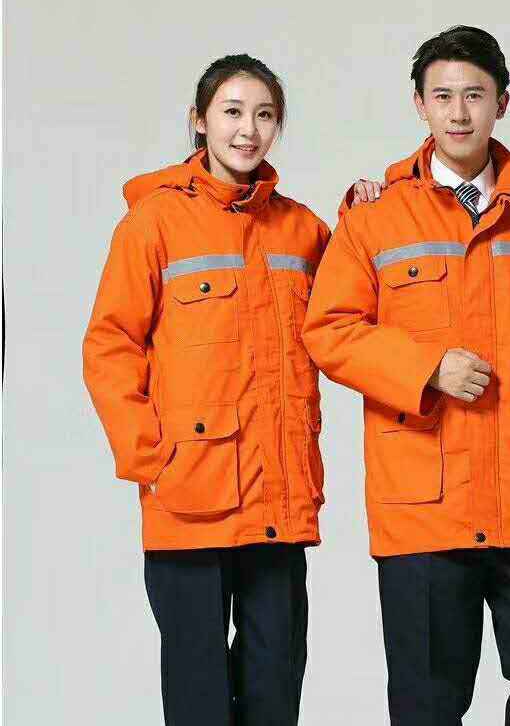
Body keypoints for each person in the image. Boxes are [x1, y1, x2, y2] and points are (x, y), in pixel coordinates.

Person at [302, 26, 510, 726]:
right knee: (427, 703)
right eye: (443, 96)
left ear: (502, 104)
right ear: (419, 105)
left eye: (475, 96)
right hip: (425, 503)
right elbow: (329, 330)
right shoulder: (374, 223)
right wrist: (426, 368)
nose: (459, 113)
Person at [82, 54, 380, 726]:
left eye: (265, 115)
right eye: (233, 112)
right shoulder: (153, 224)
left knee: (276, 687)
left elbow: (351, 302)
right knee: (200, 697)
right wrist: (150, 458)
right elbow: (109, 345)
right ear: (200, 120)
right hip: (189, 496)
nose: (249, 130)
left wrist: (364, 215)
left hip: (278, 494)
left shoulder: (302, 229)